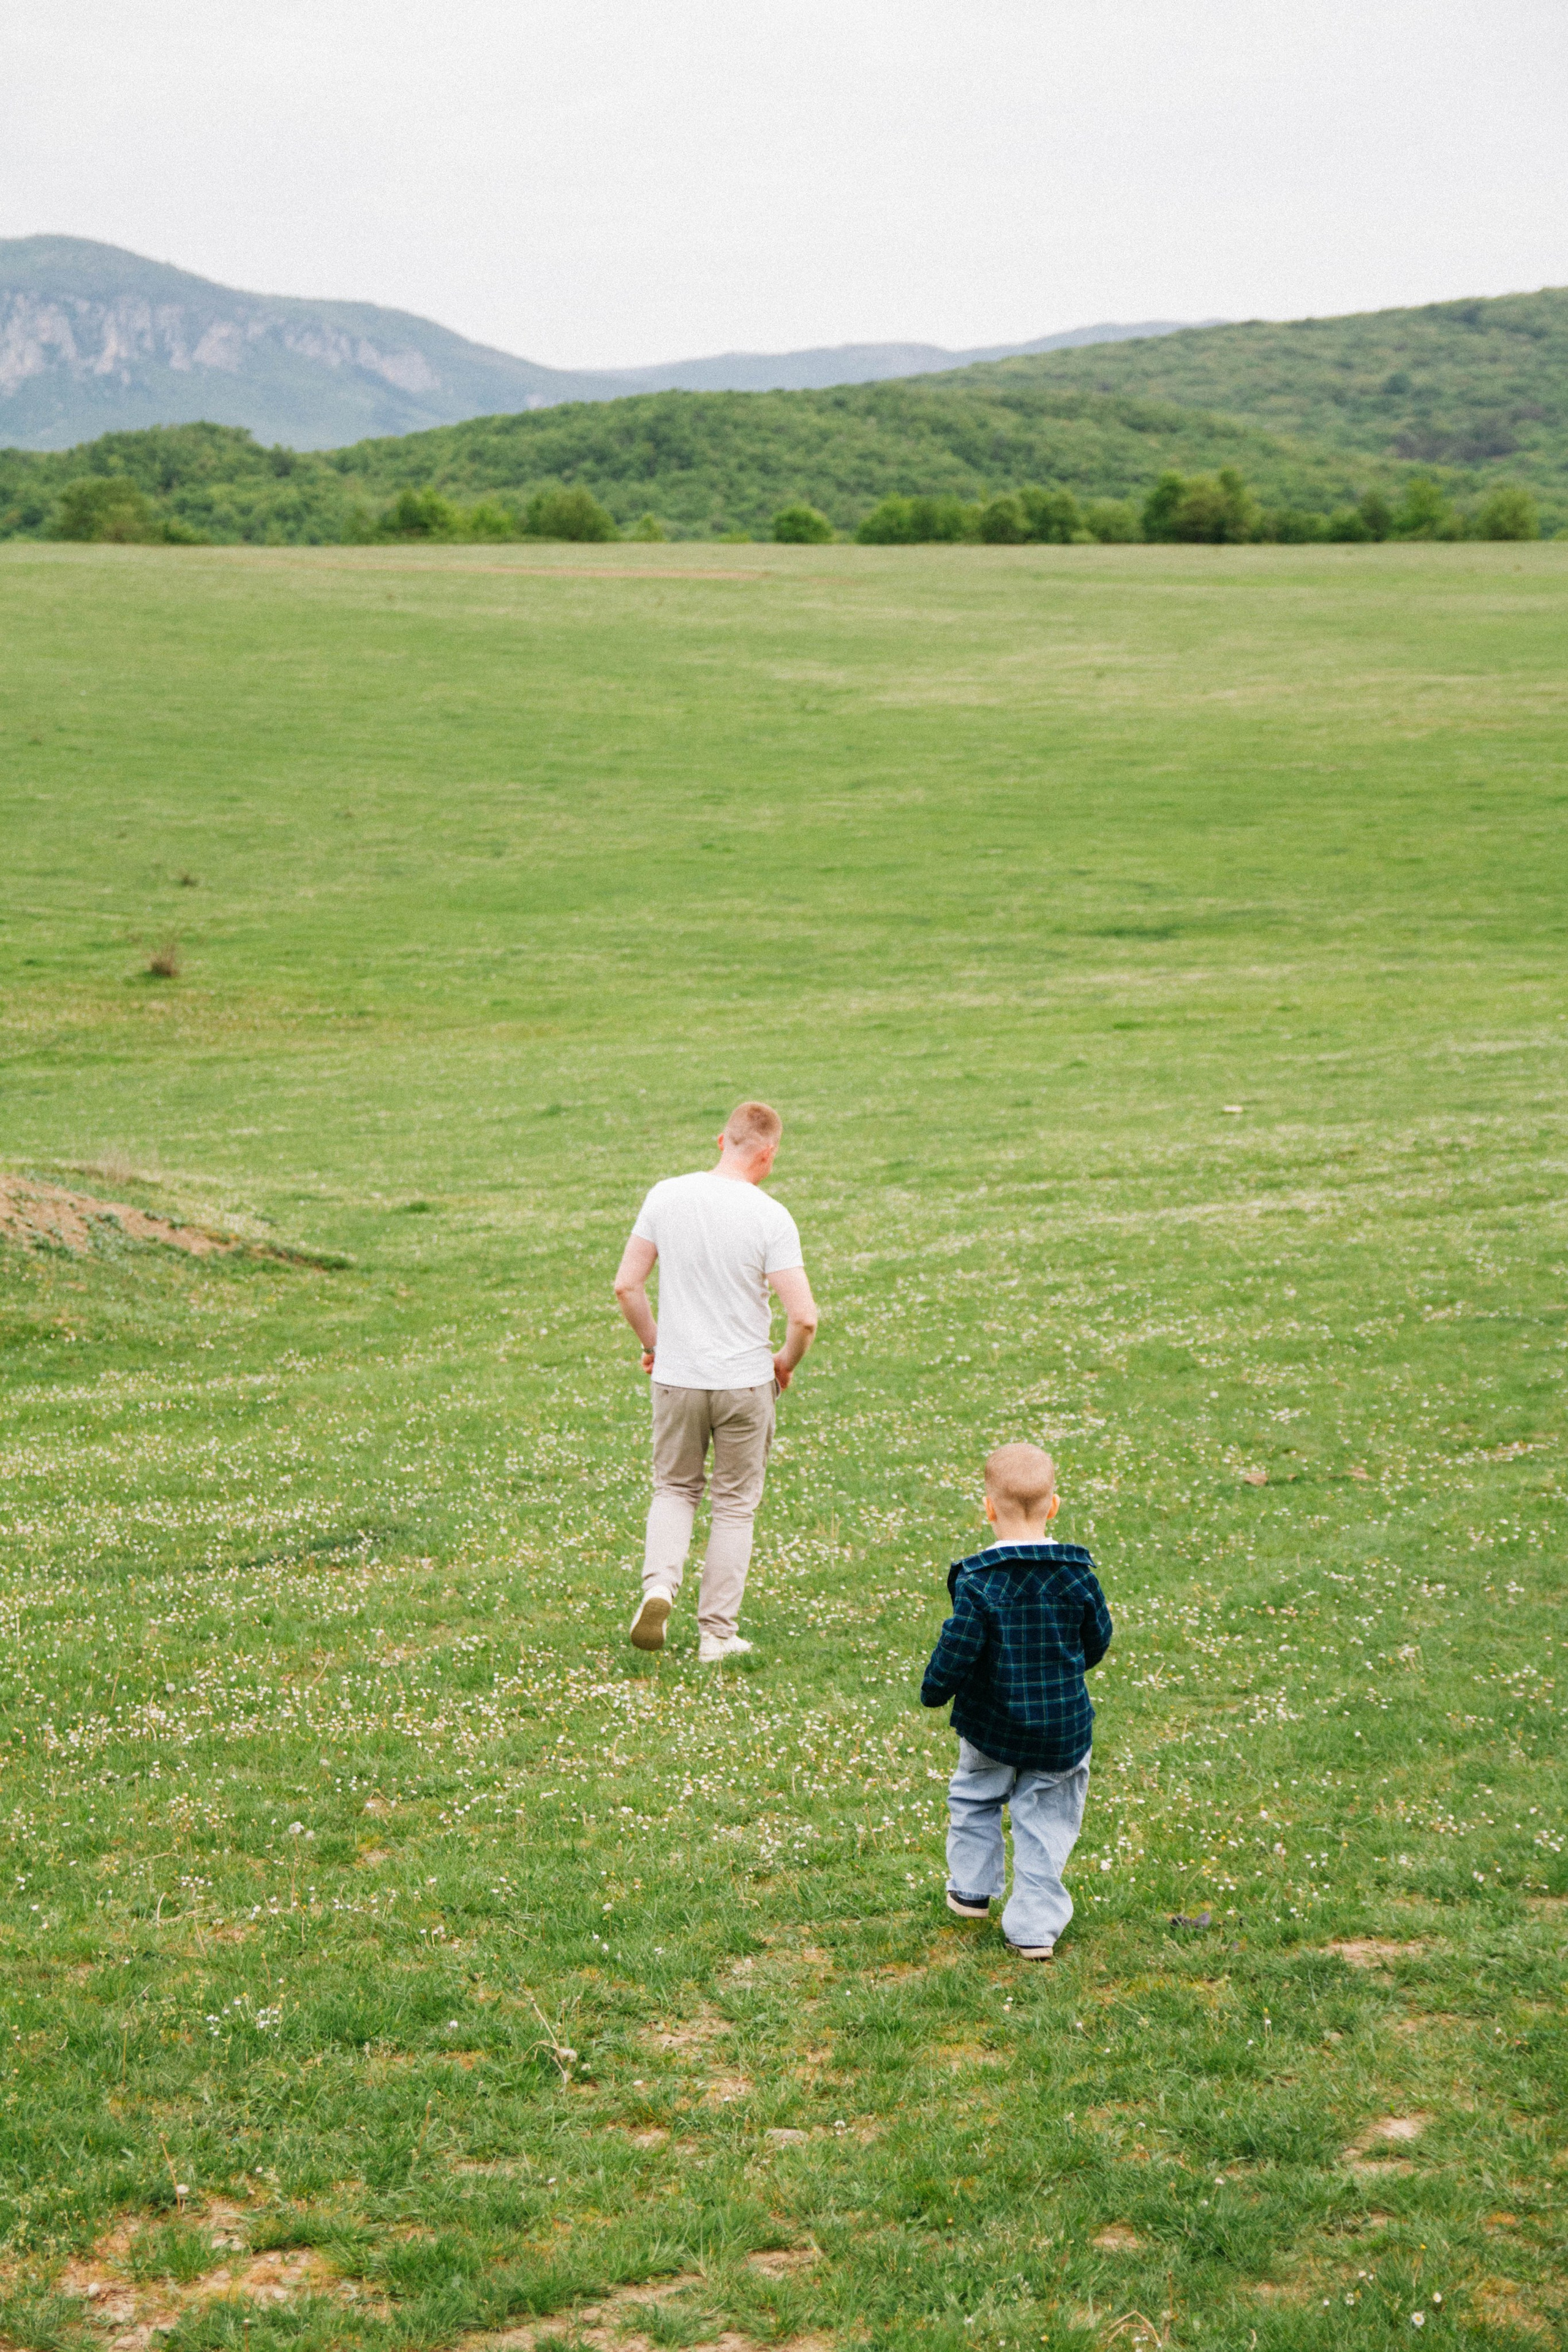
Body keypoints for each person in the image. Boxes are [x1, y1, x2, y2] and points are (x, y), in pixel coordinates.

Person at [612, 1101, 818, 1663]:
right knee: (733, 1505)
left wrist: (656, 1344)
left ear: (719, 1141)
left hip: (678, 1379)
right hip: (744, 1382)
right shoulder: (770, 1216)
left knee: (675, 1489)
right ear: (768, 1153)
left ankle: (658, 1587)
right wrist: (786, 1361)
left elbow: (627, 1286)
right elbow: (804, 1317)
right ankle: (717, 1636)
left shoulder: (665, 1195)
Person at [920, 1443, 1112, 1960]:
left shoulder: (979, 1583)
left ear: (988, 1509)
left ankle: (972, 1888)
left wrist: (935, 1689)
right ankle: (1033, 1930)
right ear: (1054, 1506)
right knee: (1045, 1824)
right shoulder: (1078, 1576)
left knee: (975, 1799)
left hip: (991, 1725)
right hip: (1063, 1730)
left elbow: (957, 1648)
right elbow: (1097, 1640)